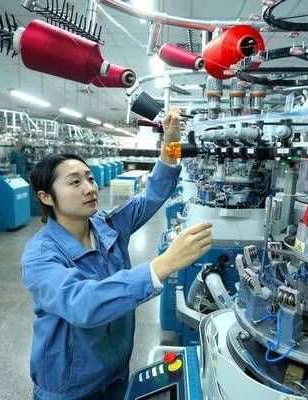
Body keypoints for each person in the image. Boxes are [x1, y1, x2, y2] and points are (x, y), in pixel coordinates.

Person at [21, 109, 213, 400]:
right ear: (45, 197)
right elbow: (81, 304)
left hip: (116, 370)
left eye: (89, 178)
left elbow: (153, 193)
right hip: (69, 386)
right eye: (75, 182)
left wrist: (172, 143)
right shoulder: (40, 256)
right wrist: (163, 264)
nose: (90, 188)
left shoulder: (107, 226)